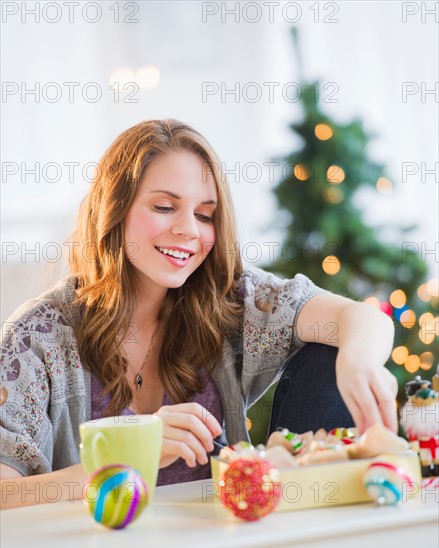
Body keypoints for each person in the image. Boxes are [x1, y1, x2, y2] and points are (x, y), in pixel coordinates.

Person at [0, 119, 397, 509]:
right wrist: (135, 451)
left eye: (205, 215)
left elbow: (362, 318)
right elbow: (6, 493)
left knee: (332, 354)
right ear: (114, 211)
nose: (189, 230)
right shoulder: (37, 339)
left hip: (220, 537)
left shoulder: (227, 300)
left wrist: (358, 364)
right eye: (164, 206)